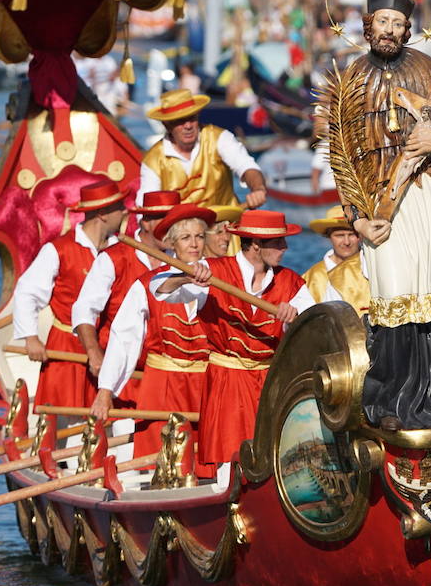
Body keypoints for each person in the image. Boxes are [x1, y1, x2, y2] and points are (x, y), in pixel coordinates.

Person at [319, 0, 431, 431]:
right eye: (382, 22)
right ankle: (391, 401)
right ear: (368, 27)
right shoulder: (350, 80)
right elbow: (341, 157)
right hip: (380, 205)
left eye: (397, 23)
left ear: (408, 29)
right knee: (393, 297)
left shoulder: (429, 70)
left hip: (428, 193)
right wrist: (357, 219)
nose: (389, 30)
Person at [151, 209, 314, 470]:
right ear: (256, 246)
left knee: (273, 460)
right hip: (227, 381)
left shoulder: (291, 282)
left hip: (267, 381)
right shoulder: (213, 271)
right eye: (278, 242)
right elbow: (159, 289)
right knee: (229, 461)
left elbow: (312, 326)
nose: (285, 247)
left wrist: (293, 320)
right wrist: (187, 276)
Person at [90, 203, 217, 458]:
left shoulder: (223, 280)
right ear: (171, 243)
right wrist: (106, 391)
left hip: (207, 386)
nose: (193, 244)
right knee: (157, 462)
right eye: (185, 237)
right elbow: (124, 338)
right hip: (163, 387)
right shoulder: (147, 284)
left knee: (207, 461)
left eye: (199, 236)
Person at [11, 180, 126, 413]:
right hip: (67, 349)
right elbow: (27, 291)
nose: (125, 211)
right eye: (119, 206)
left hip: (109, 347)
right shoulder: (59, 249)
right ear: (103, 213)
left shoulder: (120, 249)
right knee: (66, 420)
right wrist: (30, 337)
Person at [71, 190, 182, 377]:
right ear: (145, 222)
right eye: (165, 220)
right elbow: (85, 309)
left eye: (176, 222)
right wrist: (94, 352)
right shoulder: (113, 257)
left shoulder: (184, 262)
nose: (171, 229)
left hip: (165, 373)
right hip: (118, 373)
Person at [138, 88, 268, 210]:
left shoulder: (220, 138)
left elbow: (246, 166)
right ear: (166, 125)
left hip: (226, 227)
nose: (188, 126)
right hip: (181, 232)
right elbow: (147, 206)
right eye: (180, 121)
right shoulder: (153, 160)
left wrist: (258, 189)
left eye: (191, 118)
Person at [303, 205, 368, 311]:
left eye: (352, 235)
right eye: (340, 235)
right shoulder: (312, 277)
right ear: (329, 237)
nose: (346, 242)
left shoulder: (372, 267)